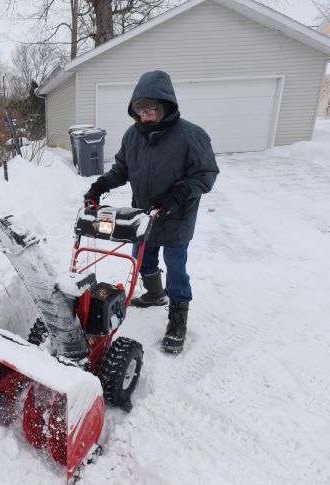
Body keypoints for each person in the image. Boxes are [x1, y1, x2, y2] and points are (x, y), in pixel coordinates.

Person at [83, 70, 219, 355]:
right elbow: (122, 169)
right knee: (141, 261)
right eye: (139, 110)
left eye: (150, 110)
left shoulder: (191, 135)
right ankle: (155, 295)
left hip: (177, 218)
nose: (144, 117)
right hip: (145, 215)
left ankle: (178, 319)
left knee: (176, 269)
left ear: (166, 106)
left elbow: (206, 175)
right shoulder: (133, 136)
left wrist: (177, 194)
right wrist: (100, 185)